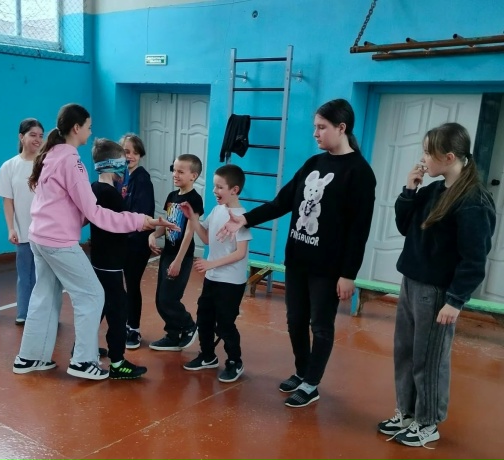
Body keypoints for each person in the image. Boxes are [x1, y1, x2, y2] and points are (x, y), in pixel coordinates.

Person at [218, 99, 377, 407]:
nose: (315, 133)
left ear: (341, 128)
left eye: (322, 127)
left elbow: (359, 230)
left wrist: (348, 274)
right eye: (315, 127)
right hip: (298, 260)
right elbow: (282, 202)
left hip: (328, 268)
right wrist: (245, 219)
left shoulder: (359, 172)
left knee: (320, 325)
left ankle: (312, 383)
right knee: (295, 321)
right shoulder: (314, 163)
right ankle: (302, 372)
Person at [12, 103, 176, 380]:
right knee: (92, 295)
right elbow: (96, 213)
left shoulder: (52, 153)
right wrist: (141, 221)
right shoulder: (71, 160)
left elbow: (68, 206)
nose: (90, 132)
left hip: (38, 237)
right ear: (76, 128)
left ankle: (29, 357)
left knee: (44, 296)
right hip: (57, 241)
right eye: (88, 127)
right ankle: (83, 362)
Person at [377, 122, 496, 448]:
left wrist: (455, 301)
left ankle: (428, 423)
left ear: (449, 157)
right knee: (405, 352)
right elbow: (405, 226)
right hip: (412, 283)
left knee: (428, 360)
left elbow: (474, 259)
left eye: (428, 153)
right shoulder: (432, 191)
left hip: (437, 293)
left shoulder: (473, 200)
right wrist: (409, 191)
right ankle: (407, 412)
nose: (423, 159)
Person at [181, 164, 252, 383]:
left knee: (225, 324)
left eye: (220, 187)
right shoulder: (217, 210)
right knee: (204, 318)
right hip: (213, 278)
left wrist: (211, 264)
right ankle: (207, 356)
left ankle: (234, 361)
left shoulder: (241, 217)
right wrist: (193, 219)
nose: (214, 191)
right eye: (214, 186)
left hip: (231, 282)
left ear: (234, 190)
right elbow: (206, 238)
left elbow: (240, 253)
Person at [89, 138, 148, 379]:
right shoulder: (109, 194)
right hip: (110, 262)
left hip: (100, 258)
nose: (125, 166)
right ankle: (117, 362)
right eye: (122, 161)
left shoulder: (95, 188)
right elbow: (123, 223)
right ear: (113, 164)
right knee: (118, 310)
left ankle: (83, 348)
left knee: (100, 306)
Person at [148, 154, 204, 351]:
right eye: (174, 170)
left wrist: (179, 261)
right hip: (168, 254)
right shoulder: (172, 196)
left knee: (168, 299)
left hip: (182, 256)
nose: (175, 174)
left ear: (193, 176)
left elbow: (189, 232)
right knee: (160, 299)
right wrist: (153, 234)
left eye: (181, 171)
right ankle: (173, 335)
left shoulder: (194, 199)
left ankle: (189, 325)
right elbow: (168, 223)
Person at [0, 118, 44, 325]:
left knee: (45, 277)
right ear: (21, 137)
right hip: (23, 231)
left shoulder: (46, 164)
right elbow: (8, 200)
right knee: (25, 275)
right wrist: (11, 228)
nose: (37, 139)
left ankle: (44, 314)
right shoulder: (9, 166)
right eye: (33, 135)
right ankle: (23, 313)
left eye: (40, 136)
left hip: (46, 232)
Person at [119, 133, 155, 349]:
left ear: (140, 155)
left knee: (132, 285)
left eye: (134, 152)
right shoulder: (121, 176)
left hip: (136, 243)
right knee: (120, 285)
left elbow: (142, 214)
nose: (129, 156)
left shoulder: (142, 179)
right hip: (122, 242)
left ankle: (134, 328)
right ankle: (124, 323)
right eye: (125, 152)